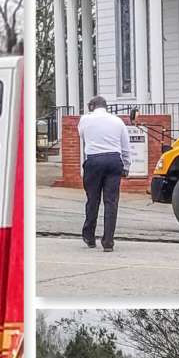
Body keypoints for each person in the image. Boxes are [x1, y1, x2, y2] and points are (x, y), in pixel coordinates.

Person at [77, 96, 131, 252]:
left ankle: (89, 236)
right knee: (111, 202)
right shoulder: (118, 121)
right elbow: (125, 147)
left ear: (92, 105)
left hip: (94, 160)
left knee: (92, 200)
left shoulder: (85, 119)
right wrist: (126, 166)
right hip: (114, 160)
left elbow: (82, 136)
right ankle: (108, 242)